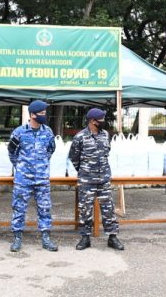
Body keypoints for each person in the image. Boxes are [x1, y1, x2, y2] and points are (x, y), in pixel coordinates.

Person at [68, 108, 124, 251]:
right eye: (101, 119)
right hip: (87, 180)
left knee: (108, 209)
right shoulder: (80, 137)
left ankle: (112, 237)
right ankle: (85, 238)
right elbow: (74, 157)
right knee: (85, 209)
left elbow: (107, 153)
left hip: (104, 179)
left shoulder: (105, 135)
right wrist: (85, 171)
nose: (103, 122)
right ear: (93, 121)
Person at [7, 100, 57, 252]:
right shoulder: (19, 132)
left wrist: (40, 165)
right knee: (19, 208)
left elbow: (50, 150)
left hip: (42, 178)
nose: (44, 115)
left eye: (44, 113)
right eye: (41, 113)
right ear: (32, 115)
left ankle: (46, 238)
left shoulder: (48, 132)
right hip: (23, 179)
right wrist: (21, 167)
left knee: (45, 208)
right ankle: (17, 237)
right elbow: (11, 153)